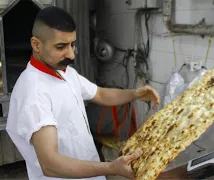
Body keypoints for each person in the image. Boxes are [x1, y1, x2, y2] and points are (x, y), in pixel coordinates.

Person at [5, 6, 160, 180]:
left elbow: (99, 94)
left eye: (72, 44)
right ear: (36, 45)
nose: (71, 54)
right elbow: (50, 164)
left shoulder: (65, 72)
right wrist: (111, 167)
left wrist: (135, 94)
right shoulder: (33, 93)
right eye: (61, 46)